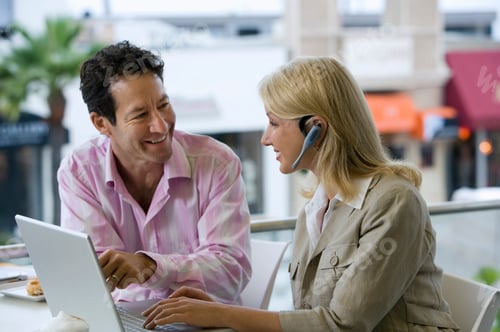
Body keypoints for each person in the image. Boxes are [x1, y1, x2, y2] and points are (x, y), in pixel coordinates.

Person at [141, 56, 459, 331]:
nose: (266, 139)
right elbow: (310, 320)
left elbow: (342, 325)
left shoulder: (393, 202)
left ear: (315, 129)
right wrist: (215, 311)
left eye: (274, 123)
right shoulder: (315, 208)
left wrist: (225, 314)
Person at [57, 40, 251, 304]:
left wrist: (150, 267)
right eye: (140, 115)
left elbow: (230, 271)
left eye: (163, 105)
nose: (161, 126)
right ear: (101, 123)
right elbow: (97, 278)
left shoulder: (217, 163)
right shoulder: (79, 172)